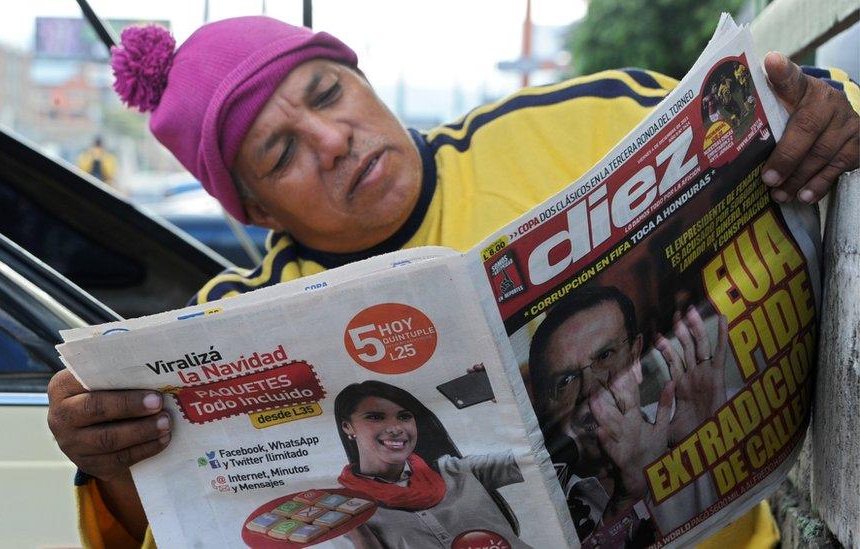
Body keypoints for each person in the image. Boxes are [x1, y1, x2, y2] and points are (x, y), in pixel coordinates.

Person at [45, 15, 859, 548]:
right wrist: (110, 460)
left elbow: (796, 109)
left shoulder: (573, 123)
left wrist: (826, 110)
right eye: (281, 152)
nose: (332, 139)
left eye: (329, 93)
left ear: (360, 77)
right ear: (255, 210)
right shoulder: (223, 326)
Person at [527, 286, 730, 545]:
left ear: (635, 356)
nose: (591, 388)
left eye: (605, 356)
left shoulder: (705, 411)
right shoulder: (539, 509)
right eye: (566, 380)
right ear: (544, 406)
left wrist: (718, 436)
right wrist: (625, 498)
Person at [333, 380, 526, 548]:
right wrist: (357, 530)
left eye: (404, 416)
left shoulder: (457, 471)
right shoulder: (344, 509)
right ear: (347, 427)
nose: (395, 428)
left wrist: (503, 395)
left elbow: (533, 456)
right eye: (375, 417)